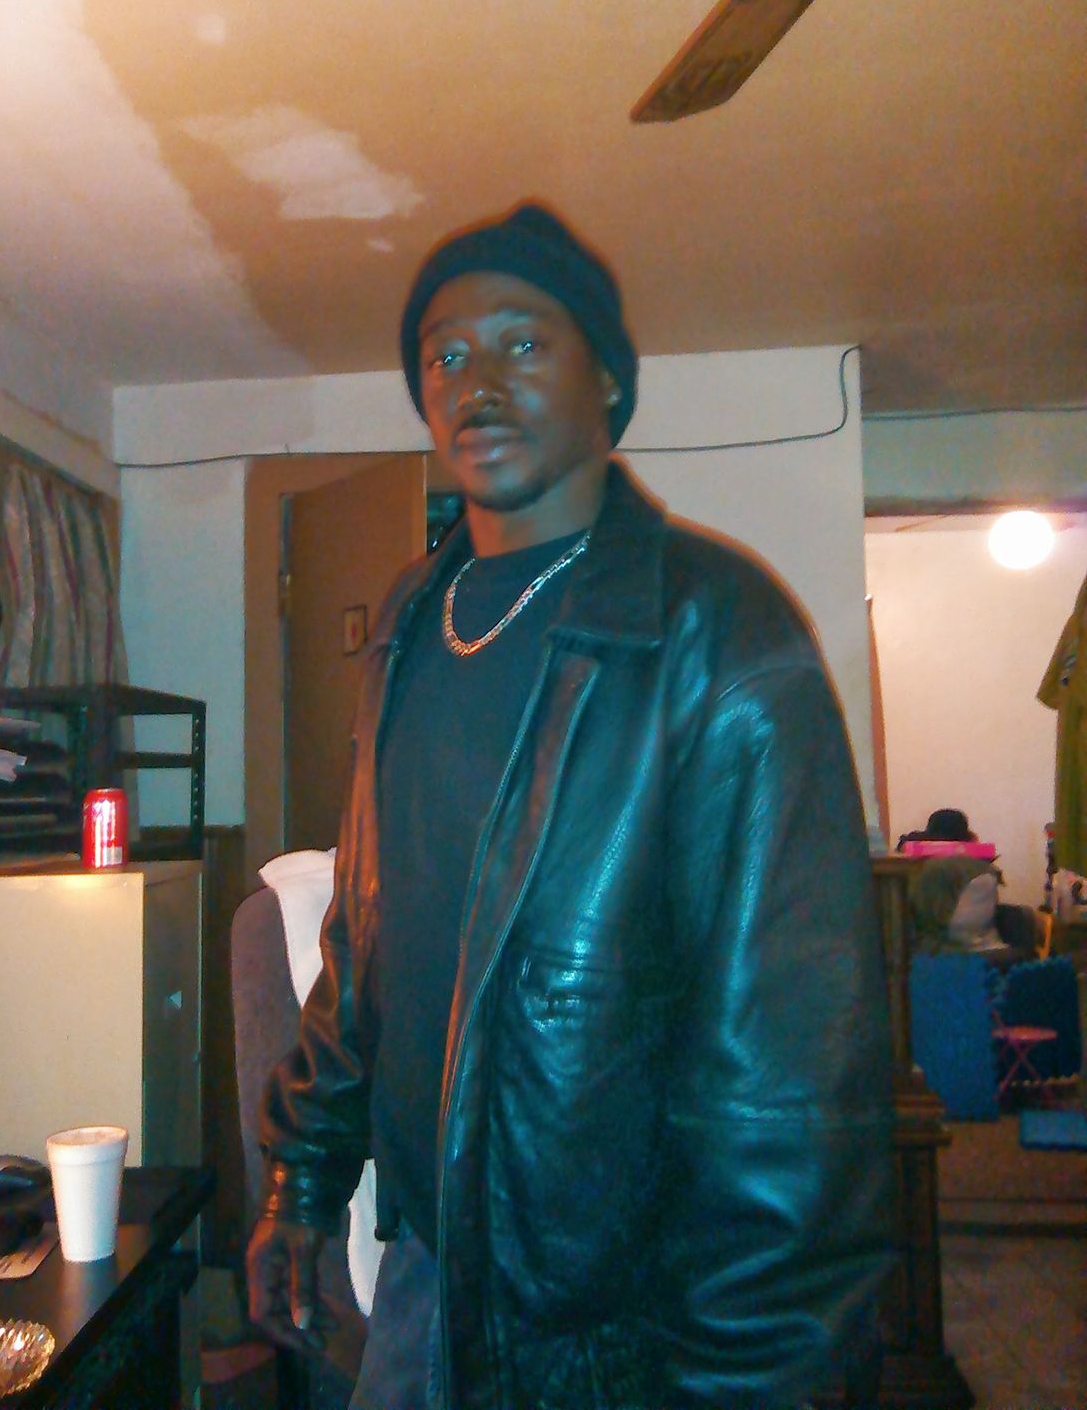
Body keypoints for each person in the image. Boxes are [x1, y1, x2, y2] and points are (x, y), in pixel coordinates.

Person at [247, 203, 894, 1410]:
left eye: (524, 342)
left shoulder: (720, 635)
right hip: (423, 1279)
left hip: (619, 1332)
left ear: (609, 382)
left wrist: (759, 1377)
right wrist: (302, 1180)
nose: (477, 381)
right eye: (445, 353)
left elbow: (793, 1091)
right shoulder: (408, 625)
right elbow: (368, 950)